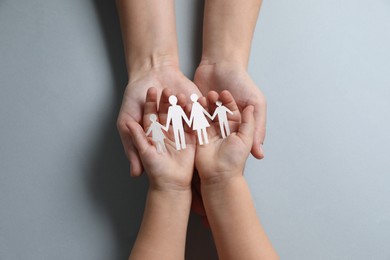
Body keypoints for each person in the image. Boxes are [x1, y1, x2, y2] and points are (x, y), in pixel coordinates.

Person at [116, 0, 267, 177]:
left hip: (198, 123)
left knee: (199, 134)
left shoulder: (197, 108)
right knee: (191, 135)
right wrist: (154, 67)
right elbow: (179, 116)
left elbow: (186, 116)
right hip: (193, 124)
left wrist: (224, 63)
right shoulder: (189, 109)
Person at [126, 88, 278, 259]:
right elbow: (176, 119)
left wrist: (170, 188)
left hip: (197, 125)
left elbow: (183, 118)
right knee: (179, 135)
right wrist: (223, 179)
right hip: (189, 131)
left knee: (181, 136)